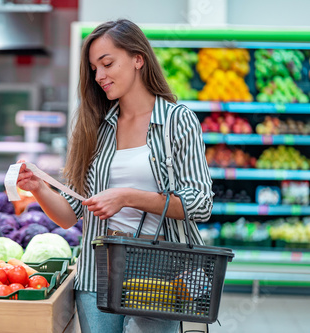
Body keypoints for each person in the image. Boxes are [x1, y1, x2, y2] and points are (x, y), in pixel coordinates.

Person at [16, 18, 213, 333]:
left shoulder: (178, 121)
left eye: (107, 63)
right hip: (97, 276)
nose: (100, 76)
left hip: (159, 275)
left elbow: (200, 204)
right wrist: (38, 188)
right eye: (94, 68)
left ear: (138, 59)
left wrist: (127, 197)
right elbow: (70, 215)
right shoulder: (94, 125)